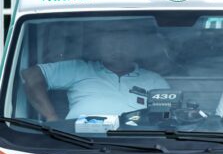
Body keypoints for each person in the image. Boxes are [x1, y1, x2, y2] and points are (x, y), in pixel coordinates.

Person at [22, 27, 170, 121]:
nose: (117, 49)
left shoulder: (154, 81)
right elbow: (31, 75)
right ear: (99, 47)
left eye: (124, 44)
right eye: (110, 44)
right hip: (74, 143)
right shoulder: (79, 69)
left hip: (140, 146)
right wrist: (51, 117)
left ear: (136, 49)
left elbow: (166, 119)